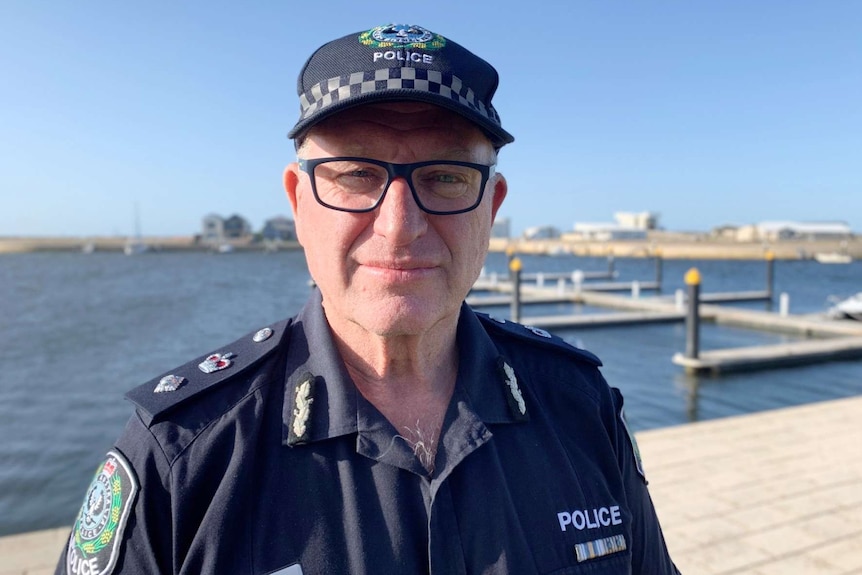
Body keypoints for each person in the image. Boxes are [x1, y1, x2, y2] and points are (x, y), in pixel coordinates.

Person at [56, 23, 680, 575]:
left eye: (445, 177)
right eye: (356, 176)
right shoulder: (185, 455)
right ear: (299, 204)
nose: (399, 225)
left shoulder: (579, 405)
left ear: (491, 209)